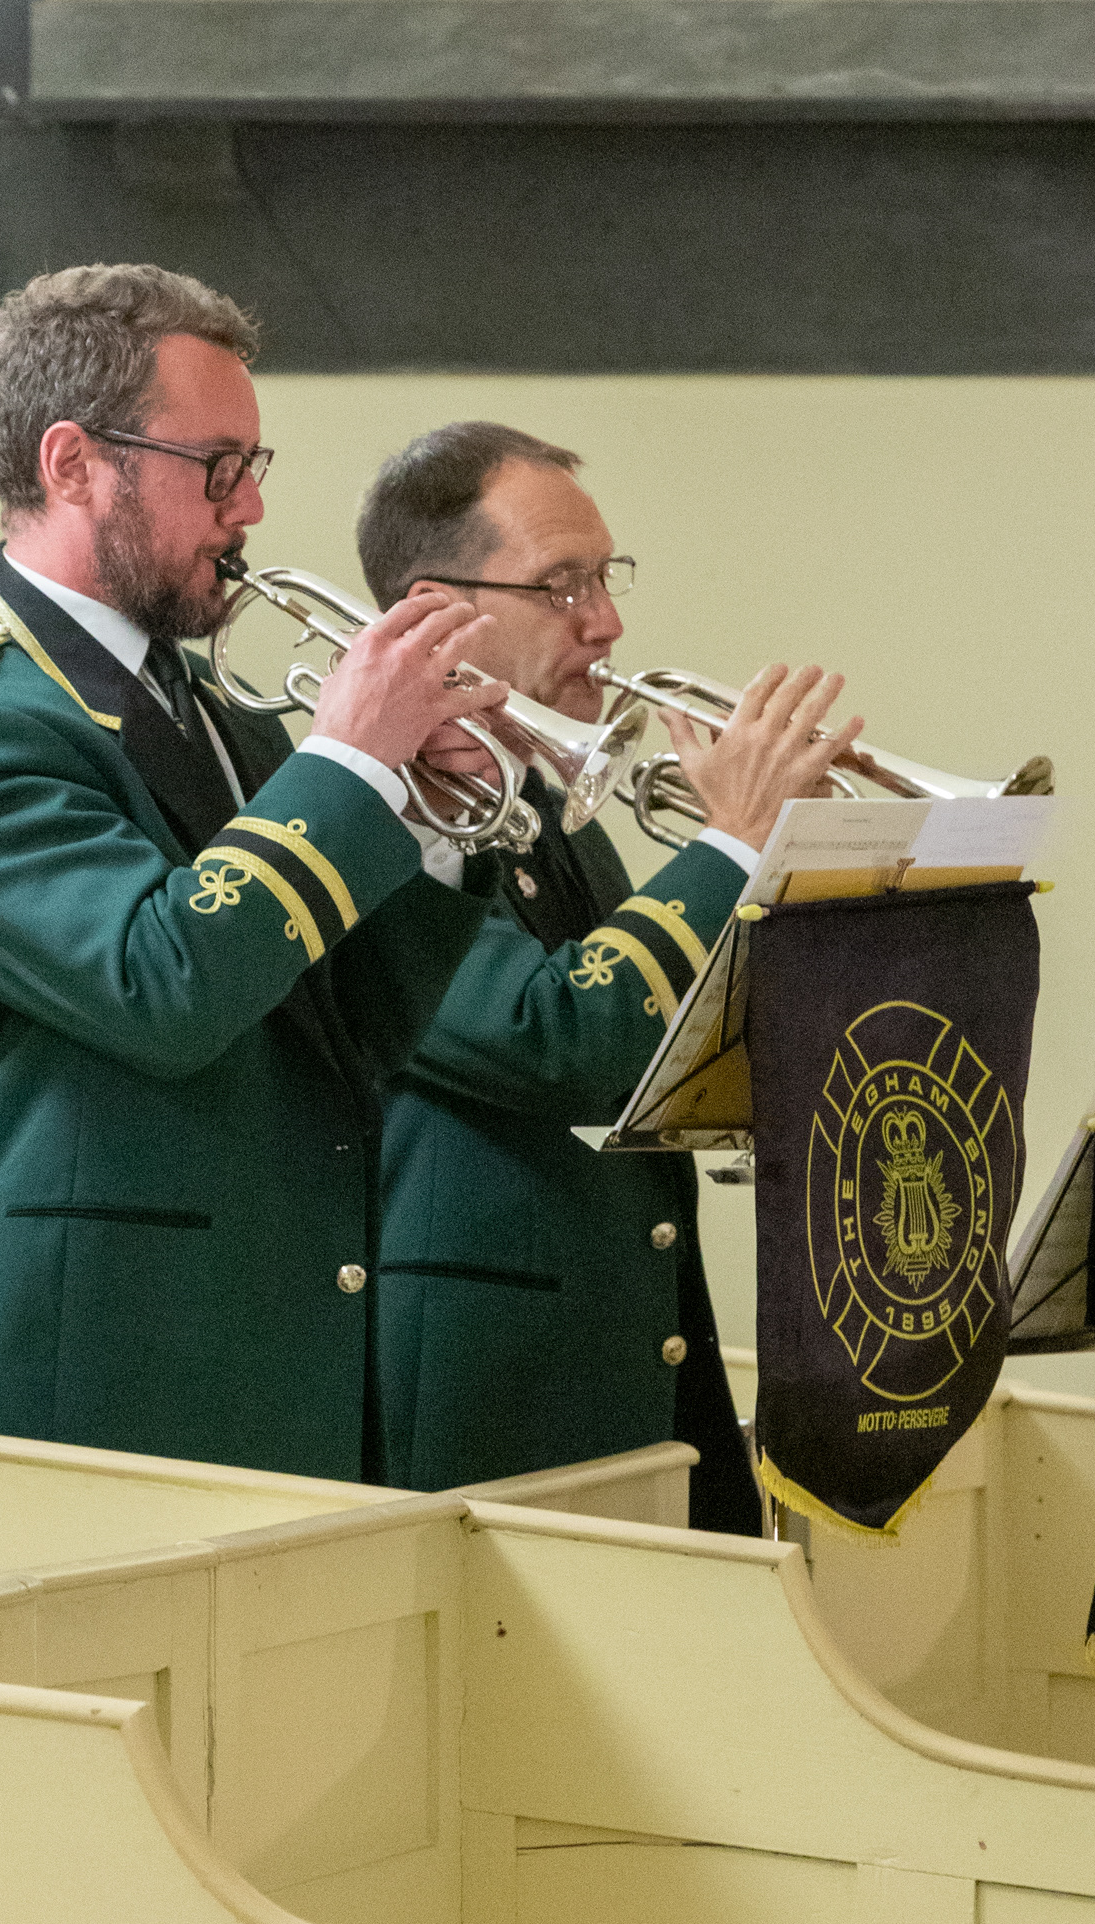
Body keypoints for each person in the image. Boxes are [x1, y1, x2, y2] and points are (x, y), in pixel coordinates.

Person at [0, 265, 512, 1481]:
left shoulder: (212, 704)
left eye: (253, 467)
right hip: (70, 1385)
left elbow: (354, 1026)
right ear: (73, 464)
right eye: (216, 468)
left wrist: (423, 812)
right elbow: (164, 985)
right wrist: (347, 763)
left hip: (261, 1358)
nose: (249, 507)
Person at [357, 422, 861, 1532]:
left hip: (625, 1360)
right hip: (482, 1407)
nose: (606, 623)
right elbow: (562, 1039)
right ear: (436, 610)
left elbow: (655, 1046)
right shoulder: (371, 817)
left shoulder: (545, 806)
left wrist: (804, 884)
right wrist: (730, 844)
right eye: (561, 585)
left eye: (604, 577)